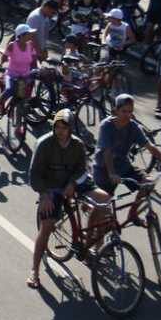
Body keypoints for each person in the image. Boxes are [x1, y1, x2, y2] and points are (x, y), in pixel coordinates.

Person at [27, 109, 112, 288]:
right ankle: (34, 270)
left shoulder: (77, 144)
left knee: (105, 202)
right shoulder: (44, 144)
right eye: (57, 126)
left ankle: (90, 246)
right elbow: (34, 175)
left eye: (64, 127)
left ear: (70, 128)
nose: (60, 130)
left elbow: (82, 168)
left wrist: (72, 183)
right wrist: (44, 195)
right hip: (51, 186)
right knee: (47, 226)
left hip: (74, 181)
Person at [92, 94, 161, 194]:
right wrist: (111, 173)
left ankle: (134, 209)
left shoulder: (133, 126)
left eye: (130, 111)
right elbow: (107, 152)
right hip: (104, 169)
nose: (128, 115)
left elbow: (150, 147)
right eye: (124, 111)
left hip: (123, 165)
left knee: (147, 185)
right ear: (115, 111)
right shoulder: (106, 126)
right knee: (103, 202)